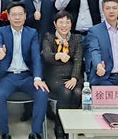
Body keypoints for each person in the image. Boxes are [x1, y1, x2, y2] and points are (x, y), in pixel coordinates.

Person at [0, 3, 49, 139]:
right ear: (8, 17)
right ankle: (5, 133)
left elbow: (36, 57)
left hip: (27, 76)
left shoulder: (32, 33)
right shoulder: (1, 31)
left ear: (25, 16)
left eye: (20, 14)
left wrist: (37, 78)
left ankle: (36, 132)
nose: (17, 18)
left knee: (42, 92)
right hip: (7, 77)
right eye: (14, 15)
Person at [42, 11, 82, 139]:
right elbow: (47, 56)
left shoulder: (76, 38)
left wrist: (74, 78)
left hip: (73, 75)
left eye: (67, 22)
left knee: (77, 92)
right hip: (55, 76)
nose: (64, 25)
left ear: (71, 24)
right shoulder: (49, 37)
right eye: (61, 22)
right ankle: (59, 128)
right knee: (66, 92)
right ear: (55, 24)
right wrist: (57, 55)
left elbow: (78, 60)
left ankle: (71, 127)